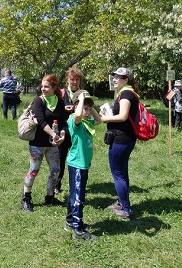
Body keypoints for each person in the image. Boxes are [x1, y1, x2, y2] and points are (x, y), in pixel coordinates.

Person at [21, 75, 67, 213]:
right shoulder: (38, 101)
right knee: (34, 170)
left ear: (54, 87)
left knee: (56, 170)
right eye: (42, 86)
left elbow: (63, 121)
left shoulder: (59, 102)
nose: (43, 89)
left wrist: (63, 135)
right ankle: (26, 198)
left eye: (46, 86)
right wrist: (54, 134)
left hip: (53, 144)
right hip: (37, 143)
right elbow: (41, 121)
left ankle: (50, 196)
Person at [99, 67, 139, 220]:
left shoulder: (126, 94)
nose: (115, 79)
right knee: (122, 172)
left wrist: (104, 119)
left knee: (118, 174)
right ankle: (122, 203)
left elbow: (122, 117)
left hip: (122, 139)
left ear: (127, 79)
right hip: (126, 138)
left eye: (119, 77)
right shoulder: (126, 93)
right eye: (114, 76)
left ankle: (126, 210)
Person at [64, 89, 101, 240]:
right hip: (77, 165)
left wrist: (91, 108)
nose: (87, 111)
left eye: (89, 108)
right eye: (85, 108)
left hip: (83, 164)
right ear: (75, 107)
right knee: (78, 197)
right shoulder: (75, 120)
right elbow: (78, 114)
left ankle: (70, 221)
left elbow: (99, 120)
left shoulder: (86, 122)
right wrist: (81, 97)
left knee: (75, 194)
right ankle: (78, 231)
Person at [56, 67, 83, 195]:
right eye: (72, 79)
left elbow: (86, 112)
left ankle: (76, 184)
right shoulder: (60, 93)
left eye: (77, 79)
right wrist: (63, 108)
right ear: (67, 80)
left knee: (77, 159)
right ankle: (56, 185)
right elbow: (54, 111)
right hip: (62, 131)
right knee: (60, 160)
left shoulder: (82, 94)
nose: (74, 82)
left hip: (76, 132)